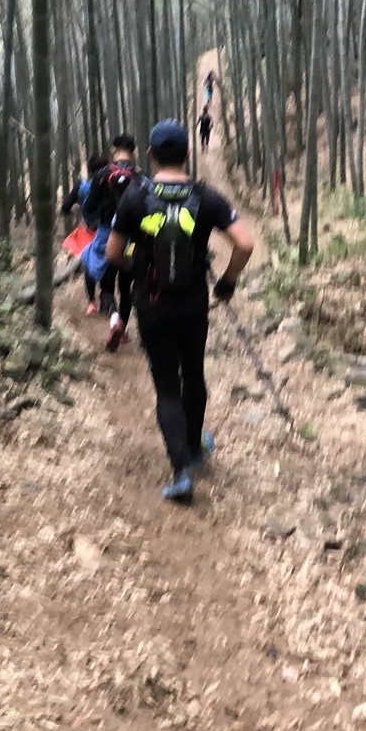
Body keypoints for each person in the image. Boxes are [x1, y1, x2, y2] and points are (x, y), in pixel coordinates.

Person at [106, 118, 253, 504]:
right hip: (192, 304)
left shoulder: (136, 197)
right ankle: (193, 447)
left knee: (167, 387)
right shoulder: (206, 197)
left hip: (152, 305)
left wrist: (139, 267)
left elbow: (112, 253)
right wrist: (226, 282)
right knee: (194, 374)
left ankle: (181, 471)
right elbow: (245, 244)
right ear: (188, 153)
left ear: (151, 155)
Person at [81, 133, 142, 347]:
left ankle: (114, 319)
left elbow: (88, 207)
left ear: (114, 149)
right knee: (126, 287)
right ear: (134, 151)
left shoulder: (101, 175)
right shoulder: (141, 177)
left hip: (107, 234)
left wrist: (94, 221)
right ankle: (123, 329)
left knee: (107, 286)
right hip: (133, 238)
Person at [63, 153, 108, 314]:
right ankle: (107, 299)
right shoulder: (112, 185)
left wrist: (76, 209)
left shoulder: (81, 186)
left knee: (89, 266)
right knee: (107, 264)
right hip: (107, 231)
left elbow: (65, 208)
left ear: (89, 169)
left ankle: (91, 302)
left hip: (86, 232)